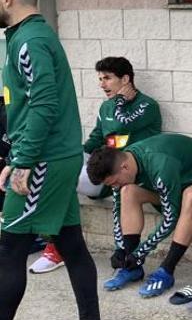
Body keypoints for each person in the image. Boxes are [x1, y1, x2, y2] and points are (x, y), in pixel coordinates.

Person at [0, 0, 106, 320]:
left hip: (43, 160)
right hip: (53, 156)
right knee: (71, 242)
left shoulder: (29, 42)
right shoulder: (30, 37)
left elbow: (43, 104)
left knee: (9, 248)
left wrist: (22, 162)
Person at [29, 56, 161, 274]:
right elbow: (96, 140)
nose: (102, 84)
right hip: (101, 164)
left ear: (125, 79)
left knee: (61, 178)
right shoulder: (106, 107)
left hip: (121, 174)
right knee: (52, 164)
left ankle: (56, 248)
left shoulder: (147, 106)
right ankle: (45, 237)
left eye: (107, 78)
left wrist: (118, 104)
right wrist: (71, 152)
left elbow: (122, 132)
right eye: (100, 79)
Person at [86, 133, 192, 297]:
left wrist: (139, 253)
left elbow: (170, 218)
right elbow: (117, 208)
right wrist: (122, 250)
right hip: (177, 183)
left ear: (124, 167)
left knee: (190, 196)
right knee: (127, 191)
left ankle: (167, 270)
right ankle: (132, 268)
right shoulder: (124, 163)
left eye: (115, 181)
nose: (114, 187)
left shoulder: (160, 164)